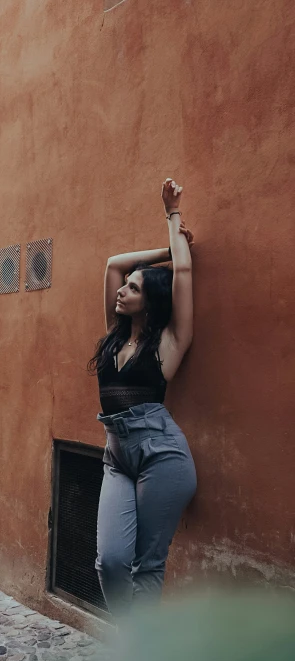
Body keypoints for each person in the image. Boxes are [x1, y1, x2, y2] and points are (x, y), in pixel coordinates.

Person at [88, 178, 197, 615]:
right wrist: (165, 253)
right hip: (117, 457)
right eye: (125, 286)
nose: (121, 290)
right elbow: (113, 263)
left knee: (147, 569)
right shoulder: (113, 340)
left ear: (150, 301)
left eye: (133, 288)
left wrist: (172, 214)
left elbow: (185, 276)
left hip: (161, 455)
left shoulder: (169, 343)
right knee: (111, 563)